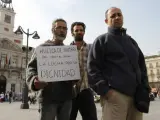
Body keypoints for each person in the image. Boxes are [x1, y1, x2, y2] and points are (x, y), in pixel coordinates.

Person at [87, 7, 151, 120]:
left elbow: (142, 67)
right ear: (106, 21)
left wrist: (144, 88)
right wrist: (107, 92)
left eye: (119, 15)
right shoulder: (101, 41)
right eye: (113, 16)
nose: (117, 17)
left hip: (136, 98)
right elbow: (92, 70)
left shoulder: (132, 42)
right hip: (115, 98)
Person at [26, 18, 73, 120]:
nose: (62, 30)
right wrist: (34, 81)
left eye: (65, 28)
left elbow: (73, 73)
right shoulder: (42, 48)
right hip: (48, 98)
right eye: (59, 27)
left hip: (66, 98)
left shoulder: (69, 52)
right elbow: (31, 68)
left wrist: (74, 78)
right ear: (52, 30)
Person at [69, 22, 98, 120]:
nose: (79, 32)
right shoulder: (65, 50)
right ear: (72, 33)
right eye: (76, 30)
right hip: (70, 92)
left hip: (86, 89)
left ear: (84, 32)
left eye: (81, 30)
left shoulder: (91, 48)